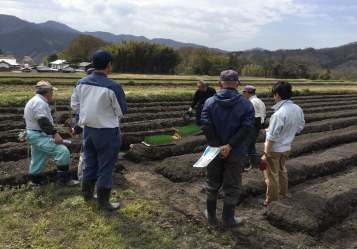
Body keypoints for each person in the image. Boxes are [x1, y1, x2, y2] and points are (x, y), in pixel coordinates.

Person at [71, 50, 127, 211]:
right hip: (107, 132)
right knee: (105, 167)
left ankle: (88, 195)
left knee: (90, 163)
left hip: (88, 130)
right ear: (109, 64)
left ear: (93, 64)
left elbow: (75, 106)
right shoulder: (113, 87)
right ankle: (103, 203)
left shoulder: (81, 83)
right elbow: (121, 112)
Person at [201, 70, 255, 229]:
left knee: (212, 181)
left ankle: (210, 215)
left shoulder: (209, 102)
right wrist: (230, 146)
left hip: (213, 150)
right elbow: (246, 129)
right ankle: (227, 220)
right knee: (232, 186)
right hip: (236, 151)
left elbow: (206, 126)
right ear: (238, 84)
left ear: (219, 83)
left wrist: (218, 146)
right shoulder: (246, 104)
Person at [23, 80, 80, 187]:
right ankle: (65, 180)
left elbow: (39, 124)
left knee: (38, 158)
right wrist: (55, 135)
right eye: (52, 91)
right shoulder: (39, 103)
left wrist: (64, 131)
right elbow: (43, 121)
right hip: (38, 135)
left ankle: (35, 183)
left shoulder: (35, 101)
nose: (52, 94)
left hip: (36, 134)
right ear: (47, 91)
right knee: (62, 151)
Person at [259, 81, 305, 207]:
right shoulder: (297, 109)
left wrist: (265, 153)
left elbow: (273, 137)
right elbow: (300, 127)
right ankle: (283, 194)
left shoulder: (278, 114)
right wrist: (284, 133)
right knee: (282, 171)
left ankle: (271, 201)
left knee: (271, 176)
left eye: (274, 95)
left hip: (274, 150)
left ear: (277, 94)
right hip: (286, 147)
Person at [242, 85, 266, 171]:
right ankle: (254, 164)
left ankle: (241, 166)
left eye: (244, 93)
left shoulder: (252, 102)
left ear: (247, 93)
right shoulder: (260, 101)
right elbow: (264, 116)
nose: (244, 95)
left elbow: (256, 117)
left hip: (252, 127)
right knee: (251, 146)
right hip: (257, 127)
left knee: (244, 146)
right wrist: (262, 127)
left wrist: (259, 128)